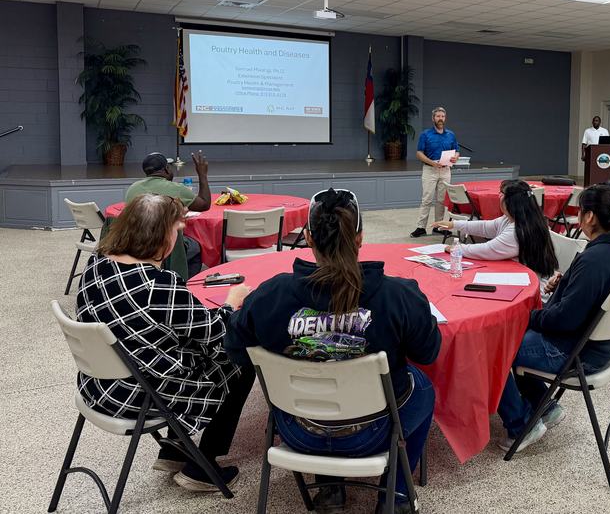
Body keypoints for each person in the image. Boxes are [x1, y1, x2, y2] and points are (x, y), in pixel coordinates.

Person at [225, 188, 442, 514]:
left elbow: (237, 353)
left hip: (298, 431)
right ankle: (395, 498)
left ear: (309, 238)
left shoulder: (271, 295)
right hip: (374, 434)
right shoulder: (399, 296)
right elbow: (428, 353)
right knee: (422, 385)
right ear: (360, 238)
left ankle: (329, 489)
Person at [75, 193, 254, 492]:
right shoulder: (157, 284)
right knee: (239, 358)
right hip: (137, 397)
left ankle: (173, 449)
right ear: (161, 236)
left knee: (185, 348)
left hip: (99, 385)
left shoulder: (97, 264)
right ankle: (202, 466)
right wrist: (231, 302)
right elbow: (218, 332)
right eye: (176, 231)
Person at [496, 183, 610, 454]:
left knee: (496, 346)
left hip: (576, 352)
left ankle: (520, 423)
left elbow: (563, 320)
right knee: (518, 336)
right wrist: (568, 282)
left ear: (589, 217)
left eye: (580, 212)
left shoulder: (596, 258)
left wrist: (526, 317)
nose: (577, 217)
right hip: (603, 346)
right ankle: (546, 406)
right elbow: (592, 291)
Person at [432, 179, 558, 279]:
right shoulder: (517, 219)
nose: (499, 196)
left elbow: (487, 250)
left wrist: (456, 248)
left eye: (501, 194)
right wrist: (454, 224)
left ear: (511, 202)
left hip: (530, 283)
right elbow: (485, 227)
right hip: (519, 273)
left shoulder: (517, 231)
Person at [125, 151, 211, 277]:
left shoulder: (132, 188)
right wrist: (202, 174)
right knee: (195, 246)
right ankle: (184, 283)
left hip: (137, 241)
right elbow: (204, 204)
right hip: (165, 242)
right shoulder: (176, 189)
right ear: (166, 169)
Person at [411, 106, 459, 238]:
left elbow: (456, 150)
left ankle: (438, 227)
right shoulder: (425, 135)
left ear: (445, 118)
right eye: (438, 116)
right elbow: (419, 153)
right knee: (426, 199)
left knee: (441, 201)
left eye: (442, 116)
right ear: (433, 118)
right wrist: (432, 163)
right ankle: (421, 227)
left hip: (445, 170)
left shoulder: (451, 134)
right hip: (430, 169)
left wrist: (456, 157)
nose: (440, 119)